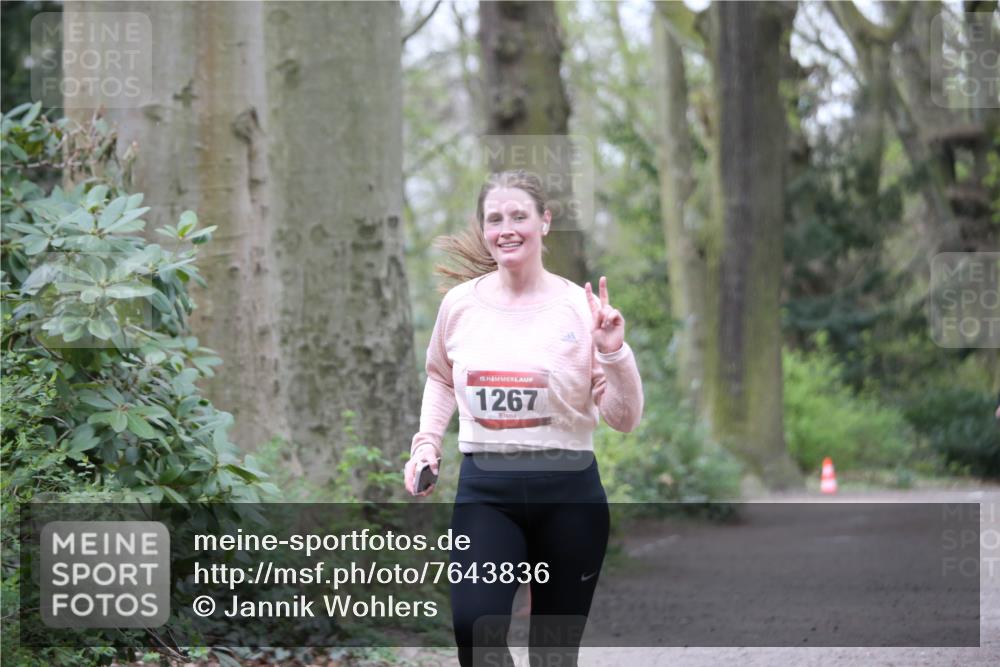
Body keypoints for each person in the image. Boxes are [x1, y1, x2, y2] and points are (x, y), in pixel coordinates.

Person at [403, 170, 644, 666]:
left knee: (552, 656)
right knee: (476, 633)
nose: (506, 227)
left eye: (519, 215)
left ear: (545, 222)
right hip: (486, 495)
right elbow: (441, 378)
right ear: (483, 228)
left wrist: (615, 354)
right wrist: (426, 443)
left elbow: (623, 419)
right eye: (495, 218)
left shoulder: (581, 309)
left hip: (570, 496)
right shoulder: (460, 306)